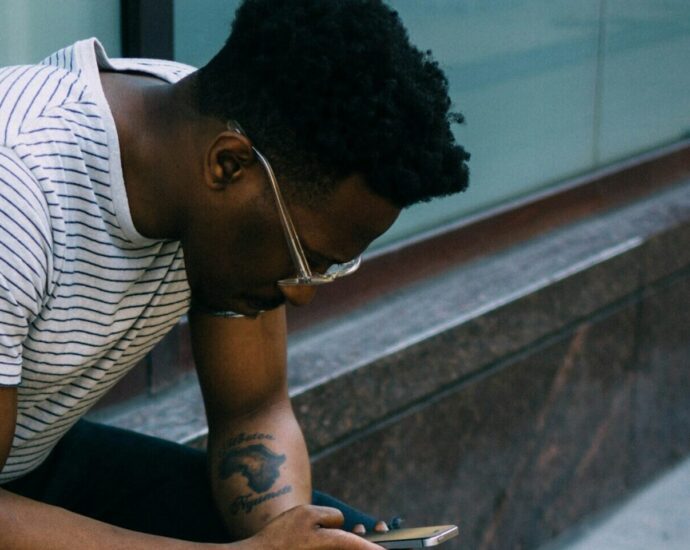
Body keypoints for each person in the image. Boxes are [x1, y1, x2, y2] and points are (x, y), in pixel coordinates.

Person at [0, 0, 470, 548]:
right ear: (228, 166)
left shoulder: (215, 140)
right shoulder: (20, 190)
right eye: (304, 258)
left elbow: (253, 410)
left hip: (33, 463)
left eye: (327, 269)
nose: (301, 293)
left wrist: (291, 536)